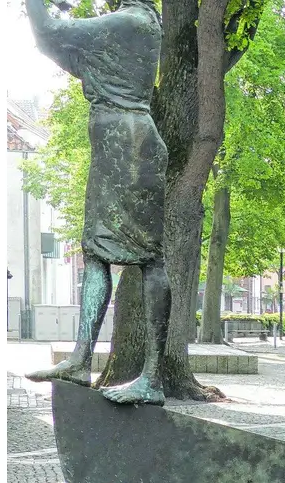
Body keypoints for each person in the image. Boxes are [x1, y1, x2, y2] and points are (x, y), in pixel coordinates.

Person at [23, 0, 171, 405]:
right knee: (94, 251)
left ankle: (152, 378)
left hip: (130, 147)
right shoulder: (131, 26)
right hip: (116, 148)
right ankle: (80, 360)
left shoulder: (130, 22)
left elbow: (50, 33)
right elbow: (67, 52)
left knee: (149, 258)